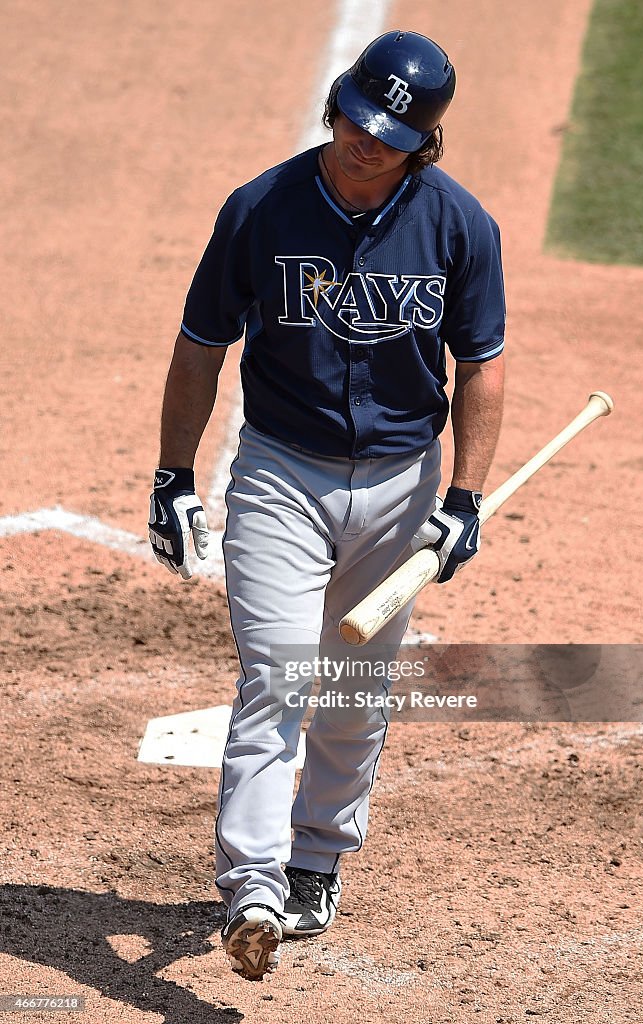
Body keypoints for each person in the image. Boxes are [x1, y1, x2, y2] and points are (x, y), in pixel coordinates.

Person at [148, 29, 505, 980]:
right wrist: (174, 474)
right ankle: (254, 885)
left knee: (351, 692)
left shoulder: (460, 226)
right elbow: (198, 345)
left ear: (421, 144)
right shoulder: (260, 210)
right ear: (337, 106)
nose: (362, 142)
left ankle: (316, 861)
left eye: (386, 135)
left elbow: (481, 364)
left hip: (399, 488)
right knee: (277, 671)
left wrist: (464, 496)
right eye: (354, 120)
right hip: (279, 475)